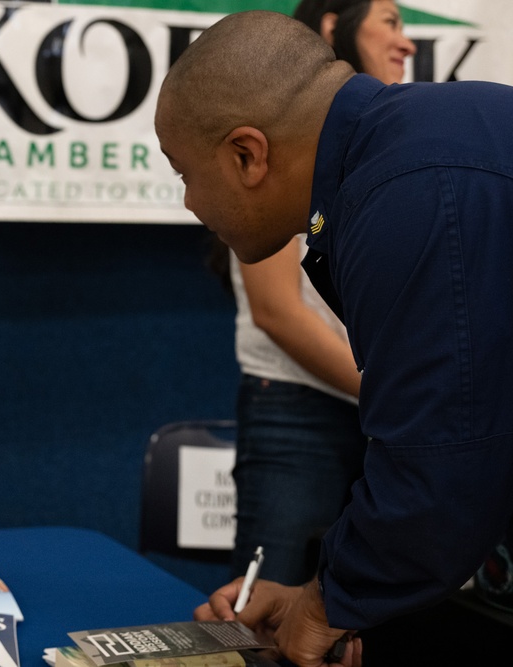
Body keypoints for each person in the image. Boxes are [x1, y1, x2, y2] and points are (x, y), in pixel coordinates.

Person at [155, 9, 513, 666]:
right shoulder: (407, 158)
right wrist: (321, 597)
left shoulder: (409, 192)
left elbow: (443, 460)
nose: (188, 204)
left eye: (184, 174)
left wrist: (328, 604)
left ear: (248, 153)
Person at [225, 0, 416, 587]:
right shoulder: (283, 135)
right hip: (302, 414)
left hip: (388, 419)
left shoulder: (397, 140)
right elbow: (278, 311)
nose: (407, 43)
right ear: (334, 24)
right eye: (391, 20)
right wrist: (399, 397)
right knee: (267, 613)